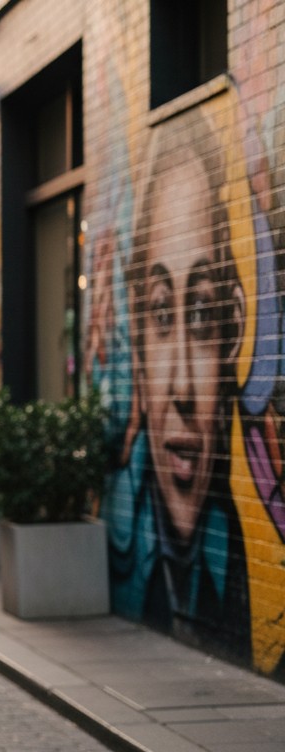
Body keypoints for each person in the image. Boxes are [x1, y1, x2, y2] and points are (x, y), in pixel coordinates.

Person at [109, 114, 249, 658]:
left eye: (203, 314)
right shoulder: (129, 557)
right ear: (136, 345)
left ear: (235, 327)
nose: (184, 389)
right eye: (162, 313)